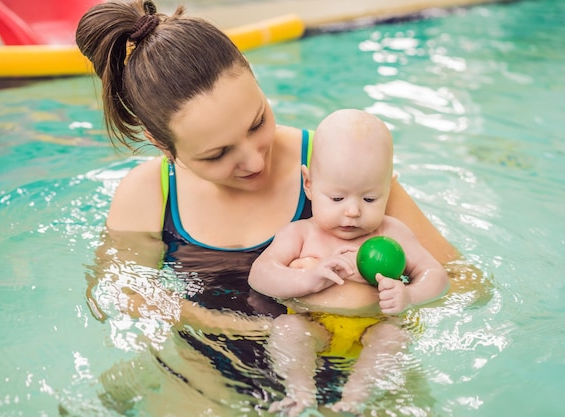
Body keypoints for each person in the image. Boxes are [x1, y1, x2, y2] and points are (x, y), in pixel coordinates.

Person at [75, 0, 461, 413]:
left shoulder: (341, 167)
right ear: (160, 143)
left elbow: (462, 282)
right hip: (207, 367)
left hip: (361, 363)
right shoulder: (149, 193)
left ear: (254, 75)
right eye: (217, 154)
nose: (256, 161)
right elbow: (123, 292)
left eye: (257, 122)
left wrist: (359, 300)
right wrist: (216, 324)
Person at [248, 109, 450, 416]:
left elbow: (436, 275)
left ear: (389, 187)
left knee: (394, 335)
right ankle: (300, 392)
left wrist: (410, 295)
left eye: (369, 199)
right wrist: (309, 278)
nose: (353, 211)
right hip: (314, 327)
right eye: (337, 198)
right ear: (309, 184)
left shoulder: (393, 233)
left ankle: (356, 398)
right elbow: (260, 274)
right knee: (288, 328)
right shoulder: (300, 234)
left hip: (374, 328)